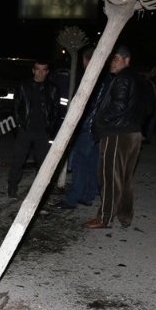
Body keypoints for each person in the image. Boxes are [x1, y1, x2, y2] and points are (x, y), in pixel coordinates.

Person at [84, 45, 150, 229]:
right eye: (111, 59)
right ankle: (125, 215)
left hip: (117, 133)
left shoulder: (123, 78)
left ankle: (105, 218)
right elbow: (148, 107)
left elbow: (118, 107)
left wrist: (100, 121)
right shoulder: (140, 79)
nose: (111, 63)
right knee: (125, 176)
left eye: (115, 58)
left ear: (126, 60)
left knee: (110, 176)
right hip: (133, 133)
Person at [50, 47, 110, 210]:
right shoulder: (106, 78)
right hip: (98, 129)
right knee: (91, 162)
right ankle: (87, 195)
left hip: (87, 127)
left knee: (79, 162)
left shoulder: (92, 77)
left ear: (85, 60)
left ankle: (72, 198)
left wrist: (79, 125)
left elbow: (88, 105)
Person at [7, 59, 60, 198]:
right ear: (33, 71)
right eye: (38, 70)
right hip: (25, 129)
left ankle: (39, 191)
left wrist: (50, 129)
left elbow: (55, 111)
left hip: (43, 132)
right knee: (18, 160)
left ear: (47, 72)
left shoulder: (52, 88)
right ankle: (12, 186)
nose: (40, 73)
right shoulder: (23, 86)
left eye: (43, 70)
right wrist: (19, 125)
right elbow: (16, 107)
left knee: (43, 163)